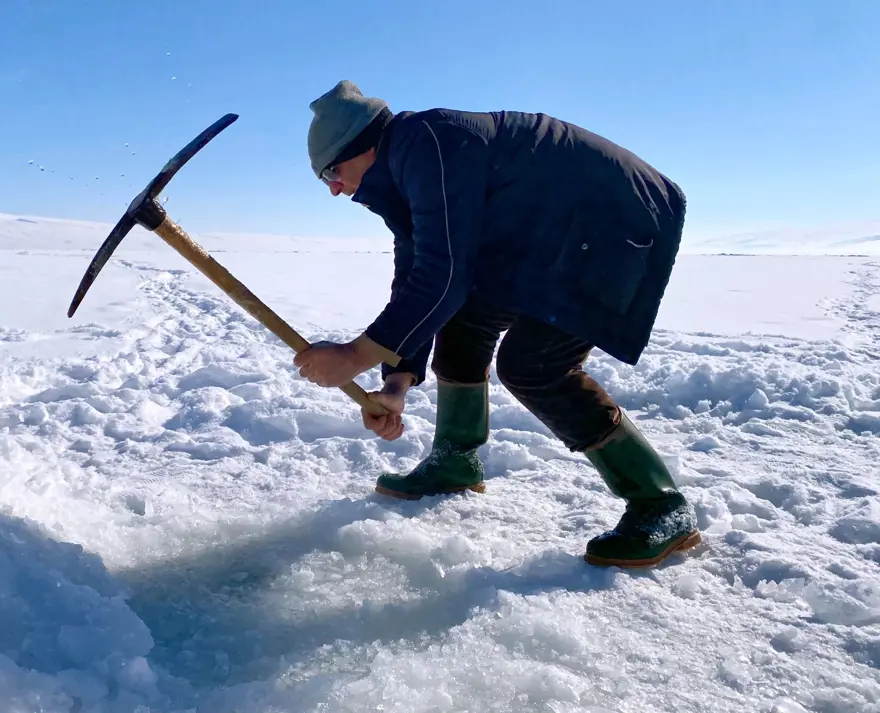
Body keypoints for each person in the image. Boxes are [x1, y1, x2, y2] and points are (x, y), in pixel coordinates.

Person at [293, 80, 700, 568]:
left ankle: (661, 503)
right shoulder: (406, 170)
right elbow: (418, 272)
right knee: (463, 325)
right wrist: (397, 380)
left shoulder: (429, 142)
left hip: (614, 222)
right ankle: (456, 460)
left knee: (535, 365)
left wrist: (355, 355)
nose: (335, 189)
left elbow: (443, 274)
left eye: (332, 172)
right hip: (543, 234)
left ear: (362, 146)